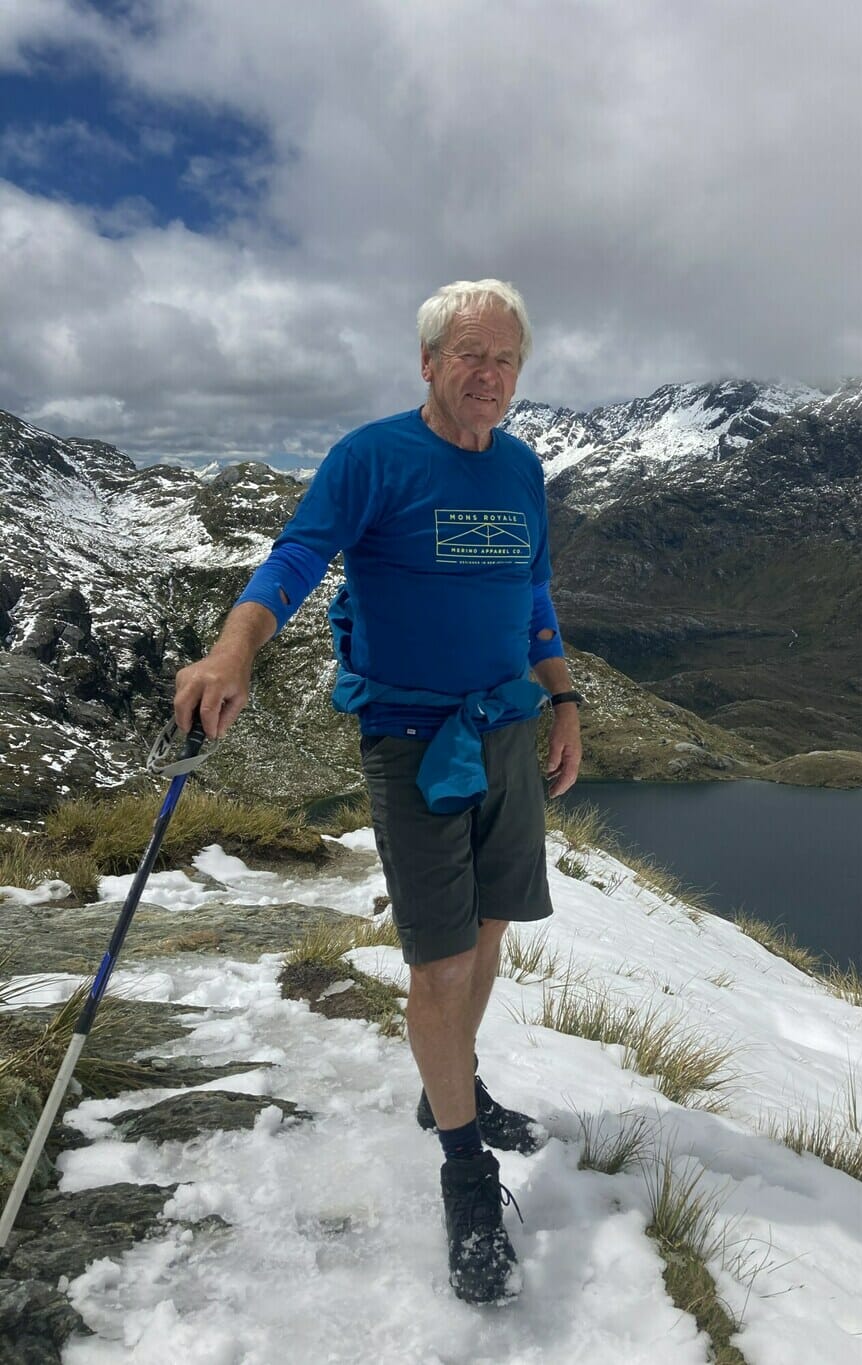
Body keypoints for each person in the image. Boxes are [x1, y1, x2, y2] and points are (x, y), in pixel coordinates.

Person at [173, 279, 582, 1305]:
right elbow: (300, 555)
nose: (489, 378)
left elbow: (530, 590)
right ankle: (464, 1175)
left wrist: (563, 696)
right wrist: (234, 648)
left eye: (506, 363)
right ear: (429, 364)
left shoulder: (522, 467)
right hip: (411, 741)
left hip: (507, 728)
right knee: (439, 967)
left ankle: (455, 1088)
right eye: (471, 357)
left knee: (488, 936)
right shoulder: (372, 457)